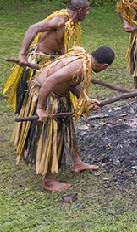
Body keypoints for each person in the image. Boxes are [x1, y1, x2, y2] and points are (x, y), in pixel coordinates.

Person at [11, 46, 115, 192]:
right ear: (105, 66)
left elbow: (71, 84)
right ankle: (48, 180)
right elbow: (49, 82)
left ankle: (77, 163)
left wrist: (85, 100)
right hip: (46, 95)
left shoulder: (84, 61)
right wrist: (40, 108)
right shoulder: (76, 67)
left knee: (68, 129)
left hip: (58, 95)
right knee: (54, 136)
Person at [3, 0, 90, 113]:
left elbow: (60, 44)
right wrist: (22, 55)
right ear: (80, 11)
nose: (88, 13)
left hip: (52, 61)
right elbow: (33, 28)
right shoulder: (59, 20)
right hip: (40, 60)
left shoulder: (71, 24)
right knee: (37, 97)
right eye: (87, 10)